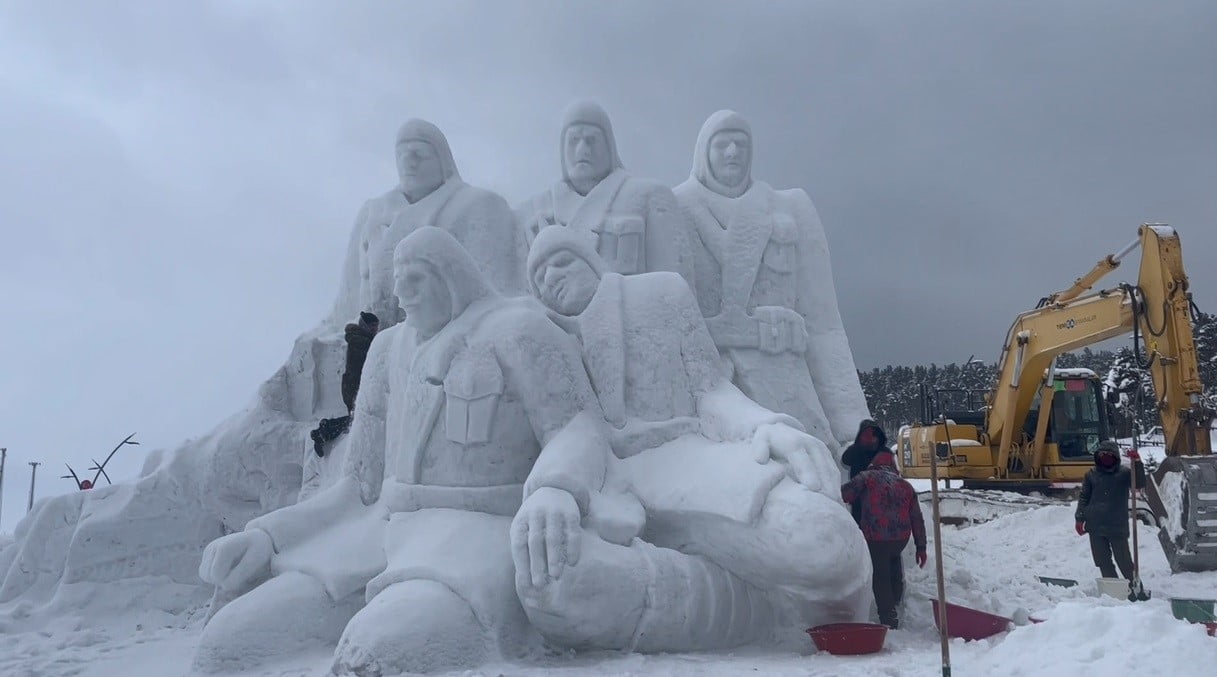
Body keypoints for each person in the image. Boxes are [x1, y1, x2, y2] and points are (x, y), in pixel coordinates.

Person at [195, 228, 609, 675]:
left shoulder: (517, 329)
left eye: (415, 278)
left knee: (375, 655)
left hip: (470, 536)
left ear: (450, 277)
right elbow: (358, 488)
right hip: (378, 534)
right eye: (398, 278)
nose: (401, 292)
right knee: (229, 643)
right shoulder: (387, 349)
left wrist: (554, 488)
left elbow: (577, 426)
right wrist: (268, 535)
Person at [514, 225, 871, 651]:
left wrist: (767, 426)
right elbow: (570, 429)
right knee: (553, 581)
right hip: (613, 483)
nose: (551, 279)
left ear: (592, 261)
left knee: (827, 543)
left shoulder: (661, 293)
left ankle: (750, 607)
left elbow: (710, 389)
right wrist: (554, 486)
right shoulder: (549, 342)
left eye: (561, 262)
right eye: (539, 278)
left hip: (692, 458)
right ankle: (743, 608)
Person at [674, 110, 871, 452]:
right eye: (722, 144)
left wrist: (855, 430)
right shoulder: (674, 207)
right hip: (710, 393)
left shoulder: (789, 206)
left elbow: (823, 324)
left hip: (785, 383)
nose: (733, 152)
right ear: (703, 151)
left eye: (741, 144)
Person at [515, 100, 695, 286]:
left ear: (609, 146)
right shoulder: (533, 211)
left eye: (591, 141)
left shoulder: (649, 196)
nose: (582, 150)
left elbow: (674, 287)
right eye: (574, 141)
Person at [840, 450, 927, 629]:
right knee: (893, 564)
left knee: (880, 577)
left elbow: (844, 494)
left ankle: (889, 618)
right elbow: (917, 518)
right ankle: (897, 602)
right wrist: (921, 547)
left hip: (876, 536)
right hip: (900, 539)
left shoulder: (867, 478)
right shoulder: (905, 485)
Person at [1075, 441, 1146, 580]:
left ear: (1116, 456)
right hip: (1095, 526)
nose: (1105, 457)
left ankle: (1134, 587)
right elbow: (1084, 497)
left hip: (1117, 526)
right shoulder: (1091, 475)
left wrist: (1137, 462)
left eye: (1109, 454)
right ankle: (1112, 587)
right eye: (1102, 454)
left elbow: (1139, 483)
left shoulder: (1124, 474)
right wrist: (1079, 518)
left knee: (1124, 561)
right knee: (1102, 561)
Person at [840, 420, 888, 522]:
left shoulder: (883, 451)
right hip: (859, 498)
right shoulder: (856, 449)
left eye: (873, 433)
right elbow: (845, 460)